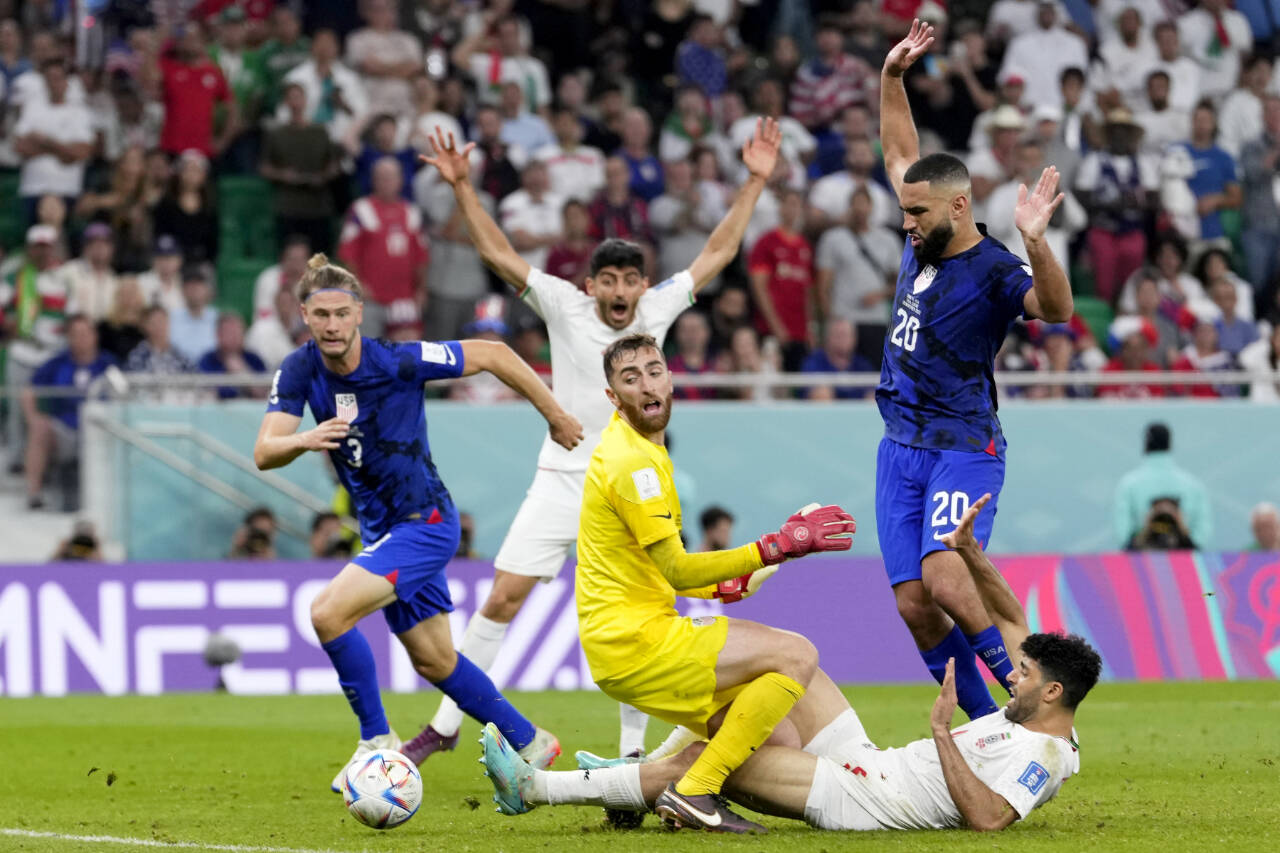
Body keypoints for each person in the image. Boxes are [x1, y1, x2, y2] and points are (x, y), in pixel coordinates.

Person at [407, 119, 785, 768]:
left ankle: (632, 753)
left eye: (628, 280)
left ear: (642, 284)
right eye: (606, 280)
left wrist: (752, 180)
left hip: (629, 480)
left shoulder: (656, 312)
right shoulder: (562, 305)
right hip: (562, 476)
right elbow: (499, 255)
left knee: (641, 610)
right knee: (501, 595)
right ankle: (443, 725)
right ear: (591, 286)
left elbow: (718, 253)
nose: (617, 292)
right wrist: (465, 187)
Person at [480, 493, 1101, 835]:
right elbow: (1013, 614)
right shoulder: (1035, 706)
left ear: (1052, 695)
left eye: (1021, 677)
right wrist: (967, 550)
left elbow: (989, 820)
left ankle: (535, 789)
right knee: (782, 664)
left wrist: (942, 732)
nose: (1008, 678)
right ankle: (633, 776)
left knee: (708, 763)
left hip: (860, 802)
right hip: (870, 758)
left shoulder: (1042, 759)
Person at [253, 253, 584, 793]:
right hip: (382, 531)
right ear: (305, 317)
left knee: (327, 614)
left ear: (360, 313)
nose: (332, 325)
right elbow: (265, 451)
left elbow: (494, 353)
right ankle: (529, 740)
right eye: (321, 316)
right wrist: (304, 439)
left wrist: (556, 415)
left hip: (424, 523)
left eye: (341, 313)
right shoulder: (298, 369)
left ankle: (375, 741)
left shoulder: (397, 360)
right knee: (435, 661)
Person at [520, 333, 855, 833]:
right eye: (630, 379)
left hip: (627, 640)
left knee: (773, 737)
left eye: (654, 371)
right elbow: (676, 569)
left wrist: (726, 586)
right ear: (613, 397)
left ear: (670, 379)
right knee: (797, 655)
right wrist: (772, 547)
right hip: (637, 641)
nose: (647, 385)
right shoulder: (634, 465)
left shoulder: (638, 450)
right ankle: (695, 793)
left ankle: (630, 786)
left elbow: (659, 569)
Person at [876, 20, 1074, 723]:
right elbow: (901, 148)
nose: (906, 223)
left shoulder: (993, 269)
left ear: (959, 207)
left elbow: (1055, 307)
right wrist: (892, 78)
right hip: (900, 445)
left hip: (963, 446)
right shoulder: (920, 232)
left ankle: (1028, 706)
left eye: (917, 213)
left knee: (945, 575)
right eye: (904, 211)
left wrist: (1036, 243)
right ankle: (989, 726)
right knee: (912, 603)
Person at [21, 315, 117, 509]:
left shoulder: (109, 363)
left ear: (94, 336)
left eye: (85, 333)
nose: (81, 339)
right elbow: (28, 391)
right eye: (75, 334)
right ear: (68, 337)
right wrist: (33, 418)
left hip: (100, 429)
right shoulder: (57, 363)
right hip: (64, 430)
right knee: (40, 429)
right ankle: (34, 494)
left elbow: (125, 392)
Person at [1113, 422, 1212, 550]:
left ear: (1145, 445)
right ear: (1169, 445)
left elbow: (1123, 534)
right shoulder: (1193, 484)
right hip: (1185, 561)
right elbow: (1202, 534)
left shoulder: (1128, 484)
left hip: (1140, 560)